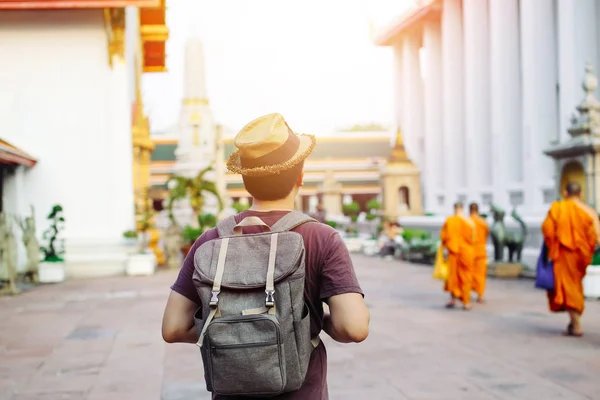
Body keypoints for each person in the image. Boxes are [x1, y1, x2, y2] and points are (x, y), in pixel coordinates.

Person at [161, 113, 370, 399]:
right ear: (301, 177)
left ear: (245, 180)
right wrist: (307, 322)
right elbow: (353, 327)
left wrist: (232, 331)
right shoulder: (321, 238)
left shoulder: (212, 240)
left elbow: (173, 328)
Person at [541, 181, 599, 337]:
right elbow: (597, 235)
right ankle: (573, 323)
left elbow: (547, 230)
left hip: (563, 255)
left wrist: (550, 248)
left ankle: (576, 325)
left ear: (565, 193)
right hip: (581, 256)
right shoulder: (589, 211)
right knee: (574, 286)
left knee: (569, 288)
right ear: (581, 194)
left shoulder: (557, 209)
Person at [440, 202, 475, 310]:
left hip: (453, 252)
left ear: (454, 208)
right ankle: (466, 302)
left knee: (453, 276)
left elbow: (444, 237)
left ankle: (453, 299)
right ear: (462, 209)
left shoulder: (449, 220)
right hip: (466, 252)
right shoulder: (469, 221)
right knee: (465, 277)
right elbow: (474, 238)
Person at [469, 203, 489, 303]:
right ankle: (480, 295)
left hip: (469, 250)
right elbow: (486, 234)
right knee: (480, 274)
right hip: (481, 251)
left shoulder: (467, 221)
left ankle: (466, 293)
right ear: (478, 210)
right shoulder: (483, 222)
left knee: (468, 273)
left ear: (469, 210)